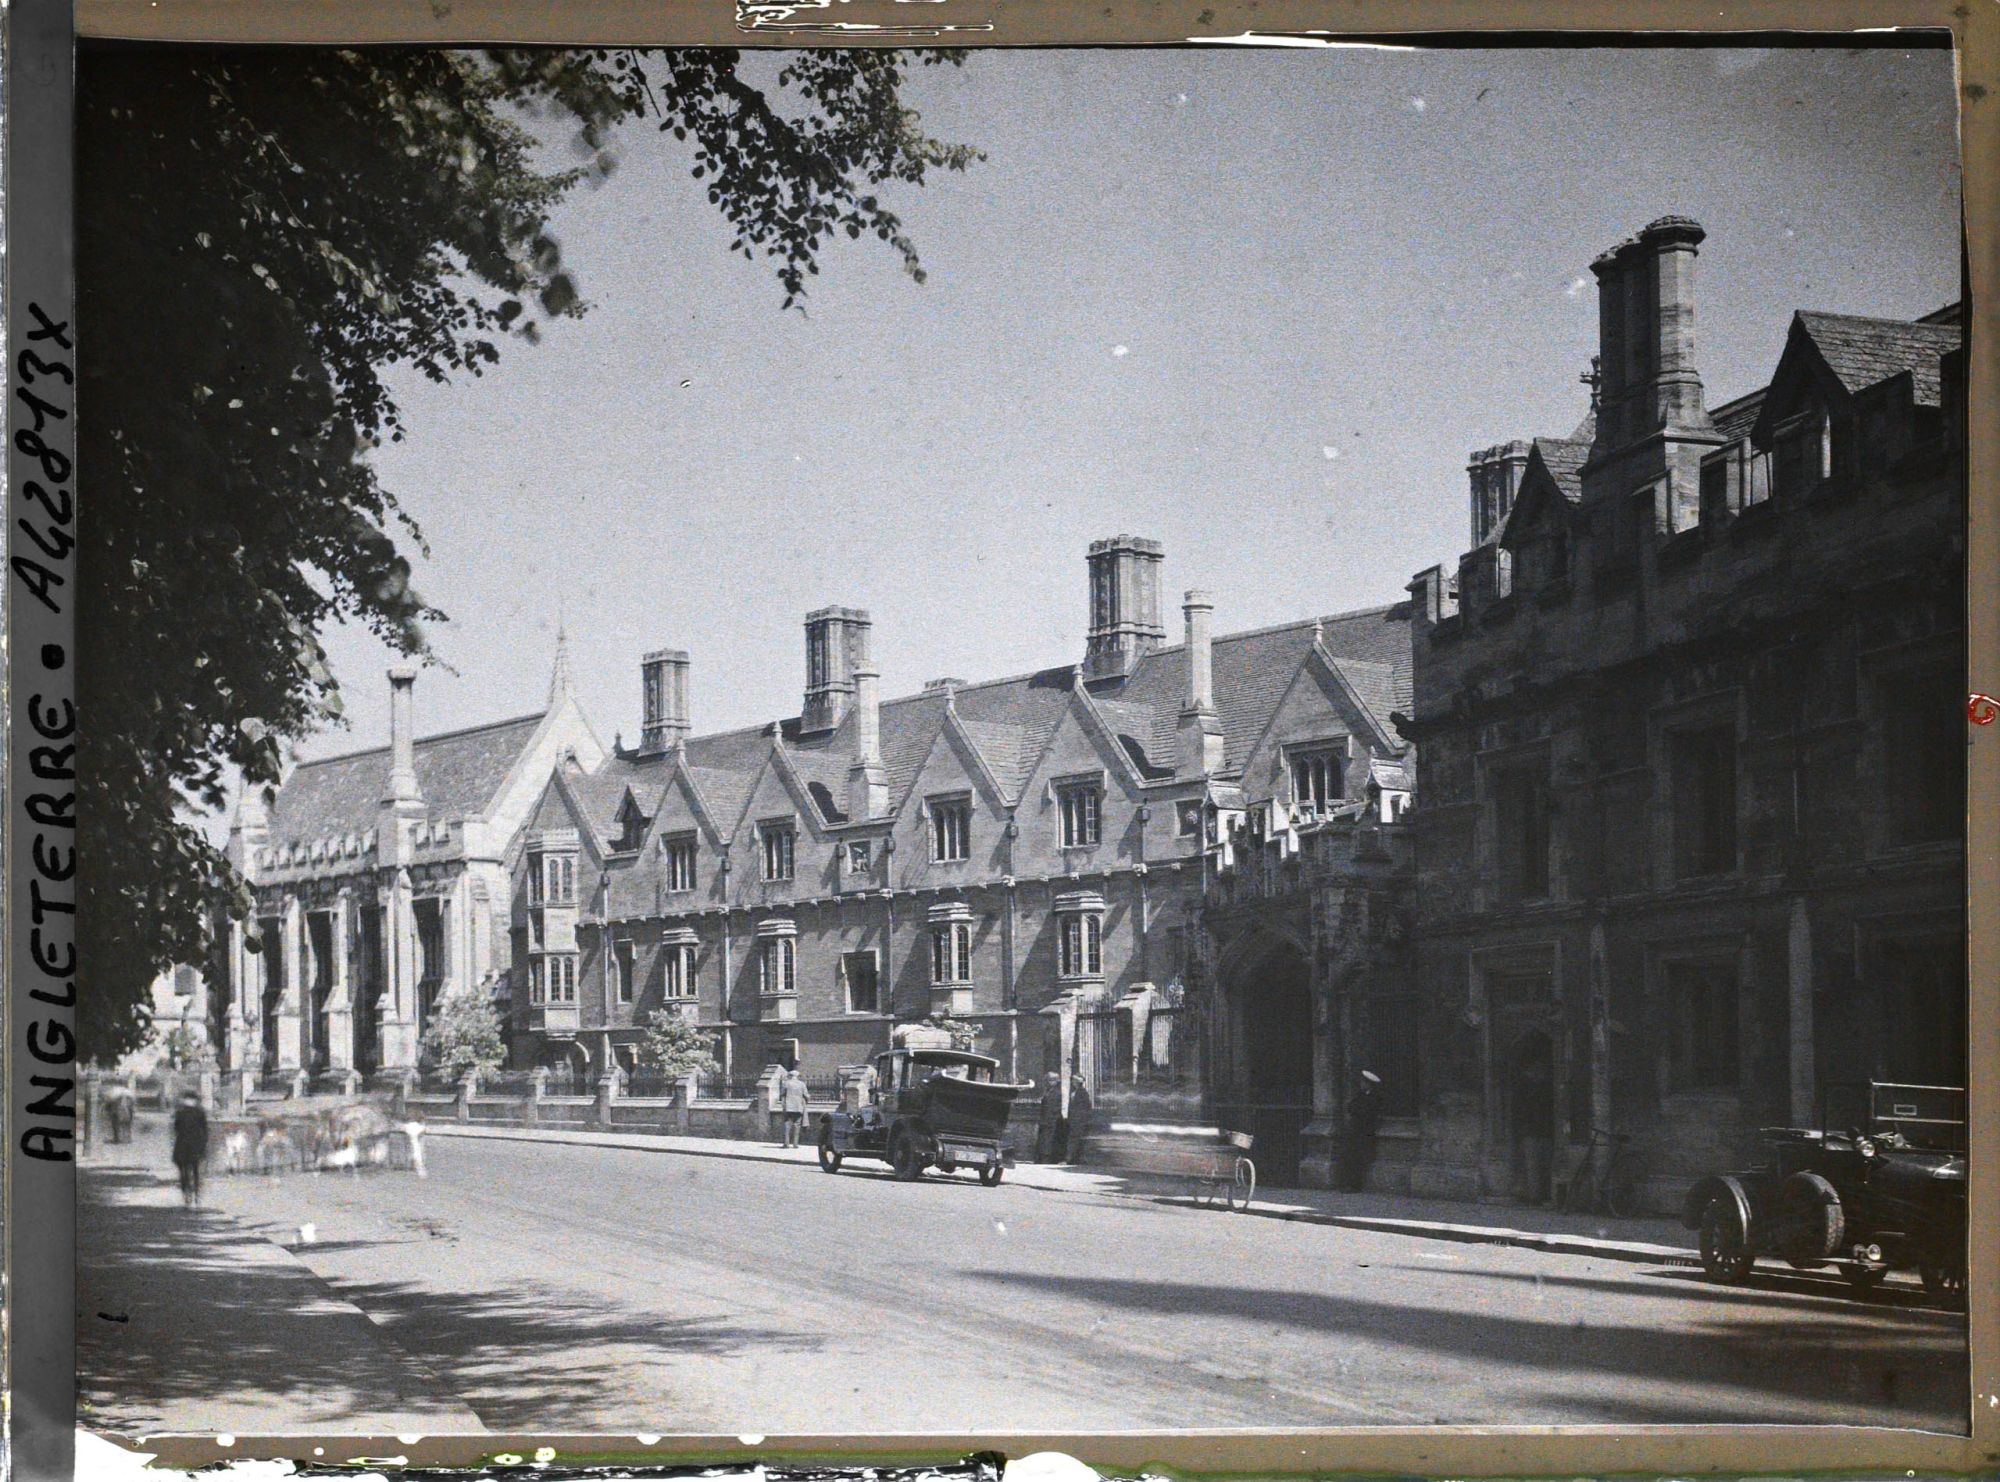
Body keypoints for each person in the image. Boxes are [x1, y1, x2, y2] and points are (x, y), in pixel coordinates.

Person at [1338, 1069, 1383, 1193]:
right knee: (1349, 1156)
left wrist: (1358, 1110)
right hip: (1355, 1131)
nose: (1361, 1084)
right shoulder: (1360, 1095)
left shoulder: (1374, 1097)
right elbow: (1350, 1107)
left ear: (1369, 1084)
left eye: (1363, 1082)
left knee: (1358, 1159)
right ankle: (1347, 1184)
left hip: (1364, 1132)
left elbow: (1367, 1113)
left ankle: (1354, 1185)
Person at [170, 1091, 210, 1207]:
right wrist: (204, 1144)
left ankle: (186, 1194)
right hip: (197, 1145)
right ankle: (197, 1195)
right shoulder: (200, 1112)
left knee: (183, 1171)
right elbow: (205, 1130)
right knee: (197, 1171)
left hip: (182, 1145)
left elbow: (176, 1128)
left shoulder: (180, 1112)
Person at [1035, 1071, 1066, 1164]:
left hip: (1052, 1122)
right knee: (1045, 1141)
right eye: (1047, 1080)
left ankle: (1048, 1158)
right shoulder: (1048, 1092)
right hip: (1046, 1121)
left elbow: (1053, 1109)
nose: (1047, 1083)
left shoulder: (1056, 1093)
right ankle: (1044, 1158)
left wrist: (1047, 1120)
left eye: (1049, 1080)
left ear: (1054, 1081)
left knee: (1049, 1141)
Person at [1063, 1073, 1094, 1164]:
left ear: (1077, 1082)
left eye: (1074, 1080)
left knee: (1074, 1140)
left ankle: (1070, 1159)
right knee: (1073, 1139)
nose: (1072, 1082)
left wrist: (1080, 1119)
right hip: (1074, 1120)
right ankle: (1072, 1159)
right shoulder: (1075, 1092)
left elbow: (1086, 1108)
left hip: (1078, 1121)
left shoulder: (1082, 1093)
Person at [778, 1066, 810, 1148]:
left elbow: (781, 1094)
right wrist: (805, 1101)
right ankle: (795, 1144)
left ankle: (786, 1143)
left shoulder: (786, 1083)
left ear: (790, 1076)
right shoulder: (802, 1084)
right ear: (797, 1076)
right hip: (798, 1107)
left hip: (788, 1107)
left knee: (787, 1125)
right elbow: (807, 1095)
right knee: (797, 1125)